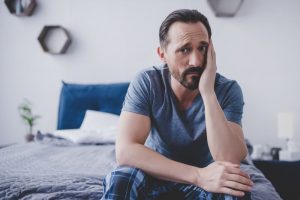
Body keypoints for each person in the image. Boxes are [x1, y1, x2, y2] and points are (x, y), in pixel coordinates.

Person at [102, 9, 253, 200]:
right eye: (185, 49)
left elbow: (229, 158)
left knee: (236, 190)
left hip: (210, 177)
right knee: (122, 178)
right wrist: (197, 176)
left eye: (203, 48)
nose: (196, 60)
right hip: (158, 171)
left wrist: (207, 92)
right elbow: (125, 151)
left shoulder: (227, 90)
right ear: (162, 54)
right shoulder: (148, 82)